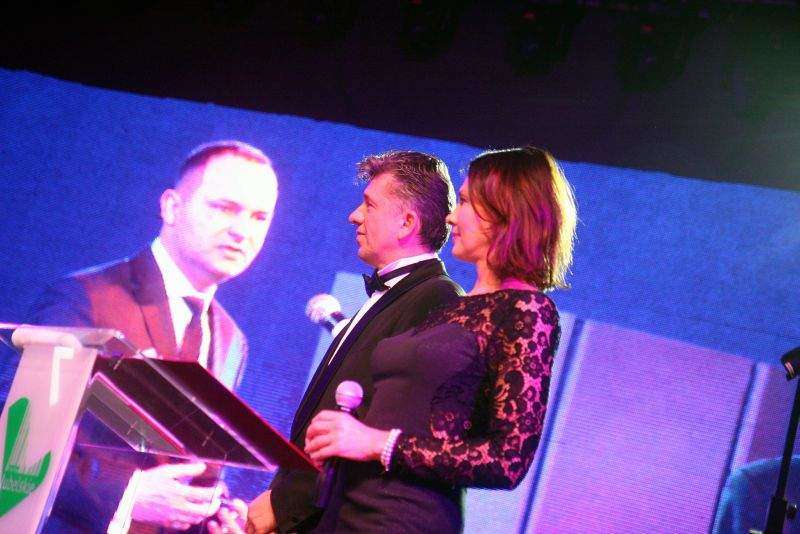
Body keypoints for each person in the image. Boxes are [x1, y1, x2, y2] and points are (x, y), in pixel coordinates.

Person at [301, 146, 577, 532]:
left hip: (401, 521)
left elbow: (508, 460)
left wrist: (378, 443)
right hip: (345, 509)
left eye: (464, 202)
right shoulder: (453, 308)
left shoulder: (526, 311)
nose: (450, 216)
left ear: (503, 214)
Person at [27, 140, 278, 533]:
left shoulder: (232, 340)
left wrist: (213, 511)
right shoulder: (86, 299)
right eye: (224, 208)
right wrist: (127, 494)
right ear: (172, 207)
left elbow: (188, 465)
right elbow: (19, 442)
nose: (241, 230)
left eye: (259, 217)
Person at [247, 151, 463, 533]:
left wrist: (286, 502)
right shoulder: (396, 294)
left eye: (369, 205)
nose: (354, 216)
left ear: (407, 222)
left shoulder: (435, 298)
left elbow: (374, 420)